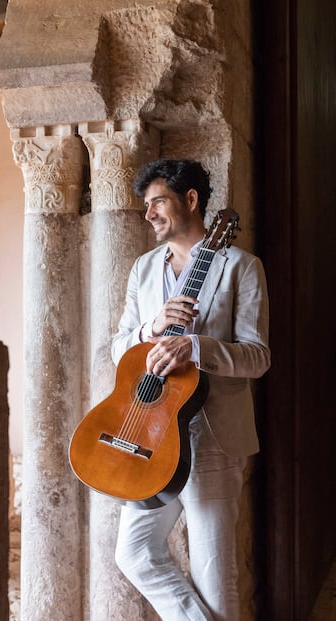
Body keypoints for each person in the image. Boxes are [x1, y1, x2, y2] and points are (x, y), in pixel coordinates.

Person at [111, 159, 271, 621]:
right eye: (146, 205)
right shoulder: (143, 270)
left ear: (191, 200)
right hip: (152, 434)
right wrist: (151, 328)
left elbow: (258, 357)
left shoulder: (241, 266)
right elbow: (118, 347)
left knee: (214, 573)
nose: (149, 214)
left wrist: (197, 347)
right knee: (134, 553)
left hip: (213, 437)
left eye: (157, 201)